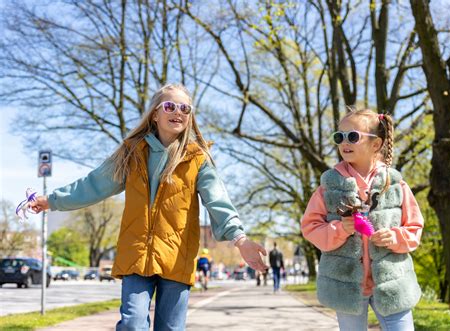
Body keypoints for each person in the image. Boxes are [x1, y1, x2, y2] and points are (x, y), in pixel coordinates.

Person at [30, 83, 267, 331]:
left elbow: (218, 201)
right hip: (136, 255)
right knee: (132, 325)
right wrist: (52, 200)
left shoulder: (198, 159)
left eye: (185, 108)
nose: (178, 112)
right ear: (155, 113)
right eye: (170, 106)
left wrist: (240, 239)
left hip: (177, 257)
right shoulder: (131, 153)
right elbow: (94, 184)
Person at [301, 109, 424, 331]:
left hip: (392, 283)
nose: (344, 142)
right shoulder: (329, 187)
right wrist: (339, 229)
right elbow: (310, 227)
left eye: (353, 136)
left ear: (375, 144)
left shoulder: (395, 185)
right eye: (339, 137)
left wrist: (395, 236)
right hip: (346, 286)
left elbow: (414, 227)